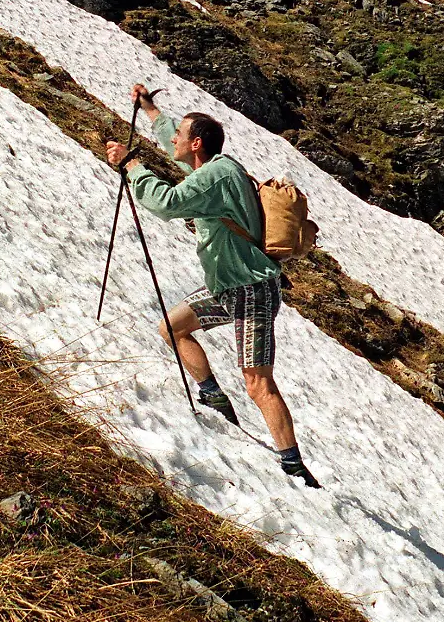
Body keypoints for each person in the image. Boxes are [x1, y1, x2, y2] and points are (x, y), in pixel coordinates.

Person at [106, 83, 319, 487]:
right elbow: (176, 147)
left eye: (180, 137)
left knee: (258, 383)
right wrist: (151, 110)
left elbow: (165, 204)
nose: (173, 141)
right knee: (173, 327)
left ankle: (294, 465)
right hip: (230, 289)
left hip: (252, 292)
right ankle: (214, 398)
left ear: (197, 143)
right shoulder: (216, 170)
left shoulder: (216, 177)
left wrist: (132, 167)